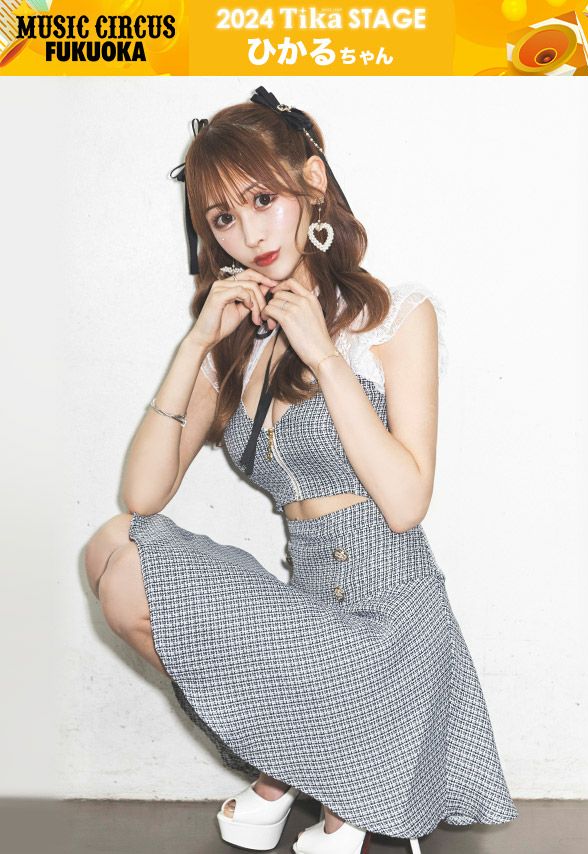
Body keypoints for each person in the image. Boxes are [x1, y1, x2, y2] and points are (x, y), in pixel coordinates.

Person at [83, 87, 518, 854]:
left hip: (391, 632)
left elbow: (407, 501)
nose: (249, 233)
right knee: (112, 549)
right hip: (309, 622)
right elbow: (142, 495)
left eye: (262, 200)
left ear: (311, 183)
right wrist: (196, 346)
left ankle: (314, 763)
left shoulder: (393, 318)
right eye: (223, 218)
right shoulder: (239, 344)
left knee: (123, 564)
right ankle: (305, 754)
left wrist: (324, 353)